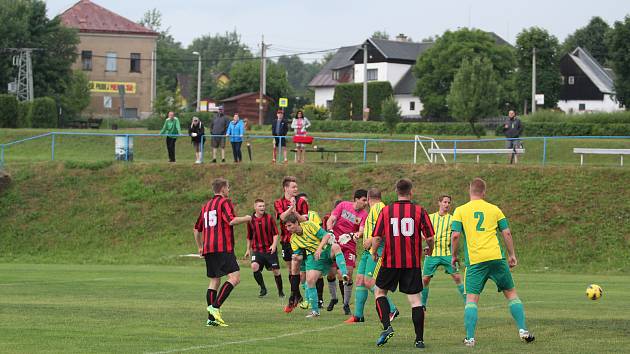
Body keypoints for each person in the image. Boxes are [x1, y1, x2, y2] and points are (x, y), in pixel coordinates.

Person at [450, 178, 535, 347]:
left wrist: (453, 255)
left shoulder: (460, 210)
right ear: (484, 192)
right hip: (496, 257)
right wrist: (511, 254)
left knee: (472, 300)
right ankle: (523, 330)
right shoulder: (494, 209)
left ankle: (470, 338)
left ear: (470, 190)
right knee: (511, 294)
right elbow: (507, 233)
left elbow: (455, 235)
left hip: (475, 261)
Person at [370, 179, 435, 348]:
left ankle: (386, 327)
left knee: (379, 292)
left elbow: (377, 237)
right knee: (415, 301)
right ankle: (419, 340)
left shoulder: (386, 211)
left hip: (390, 261)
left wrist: (374, 252)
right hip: (412, 263)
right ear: (411, 192)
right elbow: (429, 237)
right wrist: (431, 249)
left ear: (396, 191)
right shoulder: (419, 211)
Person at [193, 178, 252, 327]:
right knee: (235, 277)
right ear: (223, 189)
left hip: (208, 248)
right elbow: (230, 220)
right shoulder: (224, 202)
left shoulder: (206, 206)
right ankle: (215, 307)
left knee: (214, 280)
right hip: (222, 247)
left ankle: (211, 319)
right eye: (228, 187)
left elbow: (196, 229)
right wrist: (246, 218)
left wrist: (200, 247)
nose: (229, 190)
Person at [345, 188, 398, 324]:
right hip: (368, 252)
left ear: (368, 198)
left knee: (369, 282)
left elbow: (385, 231)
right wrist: (363, 236)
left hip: (377, 251)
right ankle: (358, 316)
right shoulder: (375, 210)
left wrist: (373, 245)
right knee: (360, 281)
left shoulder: (380, 208)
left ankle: (392, 309)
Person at [284, 214, 349, 318]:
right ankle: (315, 311)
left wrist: (319, 249)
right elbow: (300, 256)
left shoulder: (309, 225)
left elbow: (326, 235)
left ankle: (345, 275)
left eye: (290, 225)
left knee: (336, 247)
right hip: (314, 258)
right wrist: (297, 258)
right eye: (286, 227)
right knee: (310, 281)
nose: (288, 229)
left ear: (296, 223)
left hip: (325, 250)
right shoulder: (293, 239)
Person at [325, 189, 368, 315]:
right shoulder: (343, 205)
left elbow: (361, 231)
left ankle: (346, 304)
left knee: (347, 275)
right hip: (335, 243)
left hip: (349, 245)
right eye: (364, 200)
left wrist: (352, 235)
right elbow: (331, 219)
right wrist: (330, 230)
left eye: (366, 200)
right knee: (331, 273)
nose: (365, 203)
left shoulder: (364, 215)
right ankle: (333, 298)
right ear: (356, 199)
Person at [421, 195, 465, 309]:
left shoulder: (452, 219)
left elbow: (456, 235)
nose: (446, 204)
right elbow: (420, 230)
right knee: (425, 279)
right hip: (432, 254)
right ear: (439, 203)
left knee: (457, 277)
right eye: (444, 202)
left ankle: (468, 304)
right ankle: (422, 305)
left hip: (447, 254)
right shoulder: (430, 217)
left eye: (448, 203)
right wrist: (426, 240)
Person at [274, 176, 309, 312]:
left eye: (296, 186)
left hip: (300, 240)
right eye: (293, 187)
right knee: (290, 269)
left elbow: (304, 220)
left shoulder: (302, 202)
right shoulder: (278, 202)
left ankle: (292, 298)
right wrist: (291, 208)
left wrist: (295, 210)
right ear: (286, 188)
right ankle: (297, 296)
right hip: (286, 241)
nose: (296, 189)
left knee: (298, 268)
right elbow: (282, 218)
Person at [245, 199, 284, 298]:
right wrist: (247, 250)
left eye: (263, 206)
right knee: (254, 266)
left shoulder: (269, 218)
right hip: (257, 250)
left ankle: (280, 291)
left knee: (276, 271)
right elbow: (249, 236)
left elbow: (275, 233)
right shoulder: (250, 220)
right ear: (255, 207)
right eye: (260, 206)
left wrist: (274, 245)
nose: (262, 208)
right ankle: (263, 289)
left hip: (269, 249)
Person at [296, 192, 324, 309]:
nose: (304, 203)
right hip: (301, 247)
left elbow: (318, 230)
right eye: (302, 201)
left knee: (316, 276)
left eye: (306, 201)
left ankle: (319, 299)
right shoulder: (295, 217)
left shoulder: (313, 214)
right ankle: (308, 298)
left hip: (312, 249)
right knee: (303, 275)